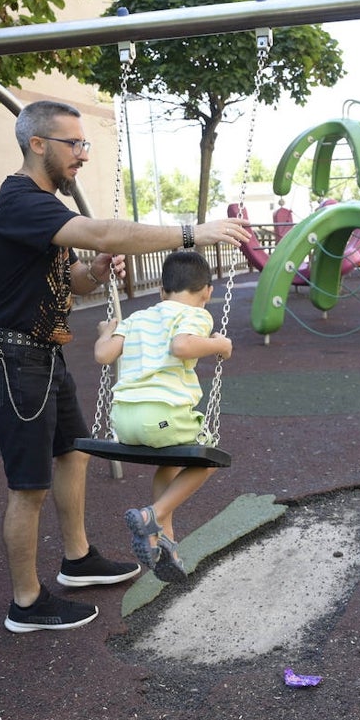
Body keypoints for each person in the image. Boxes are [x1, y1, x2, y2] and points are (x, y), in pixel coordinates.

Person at [0, 99, 250, 633]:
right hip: (13, 359)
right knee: (27, 486)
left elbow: (70, 280)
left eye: (84, 144)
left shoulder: (44, 207)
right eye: (73, 144)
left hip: (42, 353)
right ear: (37, 144)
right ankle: (26, 604)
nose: (82, 154)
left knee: (72, 454)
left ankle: (77, 560)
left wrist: (95, 272)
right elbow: (103, 232)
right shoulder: (20, 202)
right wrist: (192, 234)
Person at [93, 250, 231, 584]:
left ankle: (165, 541)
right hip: (161, 418)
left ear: (160, 290)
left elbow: (103, 355)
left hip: (123, 422)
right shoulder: (195, 315)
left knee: (168, 464)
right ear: (207, 292)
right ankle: (151, 515)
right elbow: (181, 347)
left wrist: (105, 332)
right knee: (208, 457)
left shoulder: (138, 317)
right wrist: (220, 345)